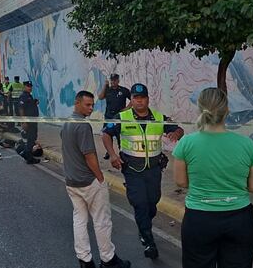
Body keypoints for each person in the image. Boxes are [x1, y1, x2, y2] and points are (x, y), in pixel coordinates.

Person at [173, 87, 253, 268]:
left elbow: (181, 182)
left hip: (199, 220)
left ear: (199, 110)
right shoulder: (247, 144)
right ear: (227, 110)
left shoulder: (186, 143)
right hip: (240, 221)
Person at [101, 83, 184, 260]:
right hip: (132, 169)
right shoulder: (122, 117)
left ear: (147, 99)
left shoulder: (158, 117)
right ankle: (148, 241)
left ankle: (145, 223)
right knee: (140, 203)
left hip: (154, 169)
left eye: (142, 98)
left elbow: (178, 128)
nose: (139, 101)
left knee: (152, 202)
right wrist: (113, 155)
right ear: (131, 99)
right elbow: (105, 134)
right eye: (135, 98)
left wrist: (176, 133)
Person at [62, 91, 131, 268]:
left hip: (72, 182)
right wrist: (100, 177)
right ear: (77, 103)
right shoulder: (83, 126)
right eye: (87, 105)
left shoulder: (67, 123)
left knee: (79, 220)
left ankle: (85, 260)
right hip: (88, 182)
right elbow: (89, 156)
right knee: (102, 221)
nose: (91, 108)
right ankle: (108, 260)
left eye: (92, 105)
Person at [98, 74, 131, 160]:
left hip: (119, 117)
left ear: (118, 81)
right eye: (112, 80)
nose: (113, 82)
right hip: (108, 116)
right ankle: (109, 152)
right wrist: (105, 86)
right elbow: (100, 97)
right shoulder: (108, 90)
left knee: (120, 135)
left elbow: (133, 99)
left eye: (115, 80)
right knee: (107, 134)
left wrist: (127, 109)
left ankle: (122, 152)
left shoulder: (123, 90)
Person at [18, 80, 40, 164]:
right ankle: (29, 157)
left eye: (30, 86)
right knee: (31, 139)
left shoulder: (29, 96)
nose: (30, 88)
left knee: (32, 138)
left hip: (33, 121)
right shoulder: (23, 96)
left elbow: (29, 105)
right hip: (29, 122)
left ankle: (27, 154)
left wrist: (34, 102)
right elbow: (21, 109)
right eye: (28, 86)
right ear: (24, 87)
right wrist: (24, 122)